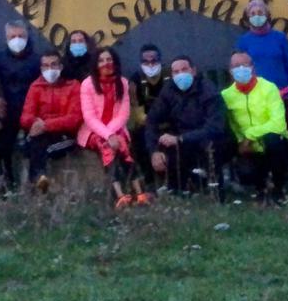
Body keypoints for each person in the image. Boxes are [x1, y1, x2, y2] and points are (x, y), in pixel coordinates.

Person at [145, 55, 229, 196]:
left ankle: (215, 190)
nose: (180, 74)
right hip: (180, 139)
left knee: (212, 146)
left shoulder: (208, 90)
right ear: (171, 75)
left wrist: (181, 138)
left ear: (194, 71)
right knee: (158, 142)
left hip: (208, 138)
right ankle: (175, 188)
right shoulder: (169, 90)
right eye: (176, 72)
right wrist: (154, 150)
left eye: (184, 69)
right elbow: (152, 120)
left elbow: (215, 126)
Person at [78, 47, 152, 208]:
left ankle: (139, 194)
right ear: (95, 64)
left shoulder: (123, 83)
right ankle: (120, 195)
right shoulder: (87, 84)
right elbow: (89, 117)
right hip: (93, 131)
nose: (106, 63)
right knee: (107, 147)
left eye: (109, 59)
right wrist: (108, 136)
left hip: (117, 129)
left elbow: (123, 114)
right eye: (101, 60)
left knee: (124, 147)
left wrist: (112, 134)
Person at [219, 51, 288, 203]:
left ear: (253, 67)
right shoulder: (226, 95)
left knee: (274, 141)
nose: (240, 69)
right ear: (230, 71)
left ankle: (279, 189)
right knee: (246, 173)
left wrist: (250, 135)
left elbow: (278, 123)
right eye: (236, 66)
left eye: (245, 65)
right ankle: (260, 188)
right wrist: (240, 141)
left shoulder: (269, 88)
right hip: (247, 147)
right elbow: (231, 124)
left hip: (271, 140)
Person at [19, 50, 82, 190]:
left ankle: (35, 185)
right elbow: (25, 117)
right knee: (32, 144)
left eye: (54, 65)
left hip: (64, 136)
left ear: (60, 67)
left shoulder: (73, 86)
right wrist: (35, 123)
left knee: (39, 148)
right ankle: (40, 181)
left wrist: (46, 125)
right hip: (40, 134)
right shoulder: (35, 86)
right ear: (41, 69)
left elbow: (74, 119)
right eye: (46, 66)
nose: (50, 69)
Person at [0, 19, 42, 189]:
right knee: (3, 147)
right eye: (13, 36)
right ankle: (7, 181)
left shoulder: (37, 60)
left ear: (27, 36)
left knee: (35, 147)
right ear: (6, 38)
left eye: (21, 35)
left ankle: (35, 182)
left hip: (31, 112)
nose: (17, 39)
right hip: (7, 112)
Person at [236, 0, 288, 100]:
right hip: (257, 96)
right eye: (253, 13)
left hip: (283, 94)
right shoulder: (243, 41)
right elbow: (240, 69)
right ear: (248, 17)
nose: (257, 16)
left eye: (260, 12)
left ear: (267, 15)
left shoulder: (280, 37)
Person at [128, 44, 167, 186]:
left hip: (171, 122)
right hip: (147, 123)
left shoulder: (169, 75)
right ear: (140, 62)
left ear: (160, 60)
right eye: (146, 61)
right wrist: (153, 122)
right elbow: (137, 113)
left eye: (154, 61)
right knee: (139, 139)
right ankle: (149, 181)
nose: (150, 64)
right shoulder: (135, 80)